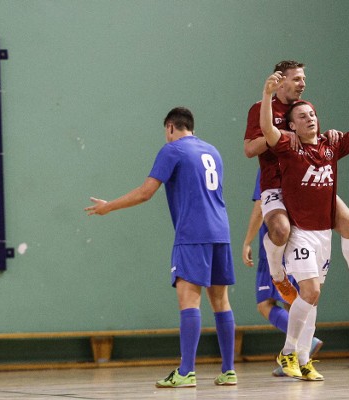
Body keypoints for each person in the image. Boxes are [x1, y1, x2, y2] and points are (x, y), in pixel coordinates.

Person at [84, 107, 237, 388]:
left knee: (189, 301)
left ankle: (186, 372)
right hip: (221, 231)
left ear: (170, 128)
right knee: (221, 301)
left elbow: (145, 192)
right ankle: (228, 371)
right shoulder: (212, 150)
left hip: (192, 233)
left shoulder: (173, 150)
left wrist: (109, 207)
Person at [260, 71, 349, 380]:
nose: (309, 119)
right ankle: (288, 351)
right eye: (302, 116)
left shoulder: (331, 146)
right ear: (292, 126)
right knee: (310, 290)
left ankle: (303, 359)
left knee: (312, 297)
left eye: (312, 115)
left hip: (322, 235)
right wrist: (266, 95)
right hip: (300, 233)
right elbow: (267, 129)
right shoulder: (290, 148)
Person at [244, 60, 349, 310]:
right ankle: (278, 277)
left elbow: (322, 142)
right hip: (277, 186)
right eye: (297, 79)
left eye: (304, 79)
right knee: (280, 231)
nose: (303, 84)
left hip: (306, 183)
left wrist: (325, 133)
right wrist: (279, 139)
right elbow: (249, 149)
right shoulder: (263, 108)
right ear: (280, 80)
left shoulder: (304, 110)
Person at [242, 169, 323, 376]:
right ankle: (293, 358)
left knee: (265, 304)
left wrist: (247, 241)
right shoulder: (298, 162)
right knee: (291, 302)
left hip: (276, 246)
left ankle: (305, 341)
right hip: (299, 241)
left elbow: (260, 207)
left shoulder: (267, 165)